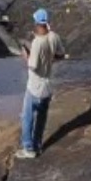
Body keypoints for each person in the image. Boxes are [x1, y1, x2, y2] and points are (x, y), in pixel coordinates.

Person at [15, 8, 67, 160]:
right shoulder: (54, 37)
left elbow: (32, 66)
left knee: (27, 117)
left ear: (37, 23)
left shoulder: (37, 43)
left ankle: (28, 148)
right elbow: (61, 55)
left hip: (35, 87)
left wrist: (26, 55)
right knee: (42, 117)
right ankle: (38, 145)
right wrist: (49, 60)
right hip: (48, 86)